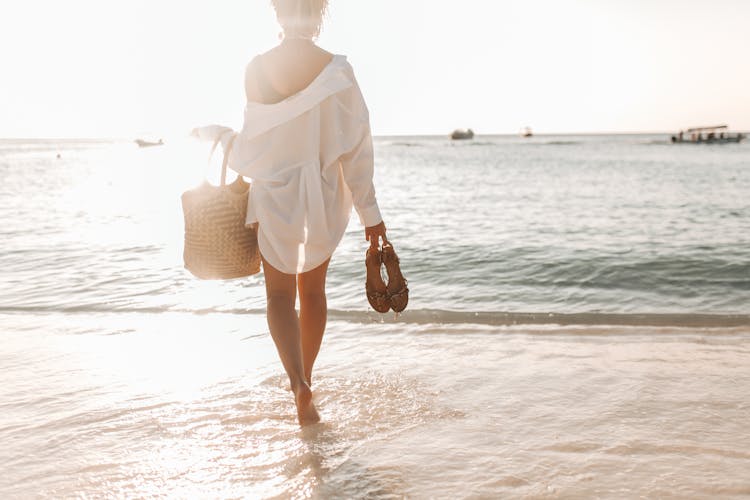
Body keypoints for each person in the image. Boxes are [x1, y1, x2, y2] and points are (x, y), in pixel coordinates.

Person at [194, 0, 387, 426]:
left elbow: (252, 148)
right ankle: (308, 378)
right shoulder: (339, 72)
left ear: (277, 12)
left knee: (279, 297)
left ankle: (297, 381)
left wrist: (221, 137)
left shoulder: (257, 69)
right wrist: (369, 213)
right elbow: (358, 149)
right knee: (313, 293)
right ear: (319, 15)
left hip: (274, 195)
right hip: (321, 196)